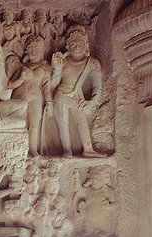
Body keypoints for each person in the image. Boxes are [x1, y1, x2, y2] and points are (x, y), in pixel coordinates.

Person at [51, 25, 105, 157]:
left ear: (86, 45)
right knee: (63, 124)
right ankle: (66, 150)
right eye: (72, 43)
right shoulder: (63, 61)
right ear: (68, 47)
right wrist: (56, 69)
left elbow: (97, 87)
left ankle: (88, 149)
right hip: (61, 95)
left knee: (81, 121)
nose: (76, 46)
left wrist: (92, 102)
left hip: (78, 97)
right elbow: (53, 84)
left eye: (79, 43)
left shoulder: (92, 63)